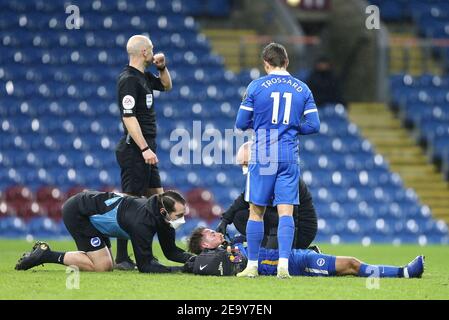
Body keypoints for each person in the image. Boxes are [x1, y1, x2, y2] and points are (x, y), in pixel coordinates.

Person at [235, 43, 320, 278]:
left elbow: (241, 123)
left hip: (263, 153)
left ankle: (251, 266)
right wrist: (292, 128)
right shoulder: (303, 89)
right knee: (286, 213)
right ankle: (283, 264)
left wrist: (262, 126)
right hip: (288, 155)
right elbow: (314, 126)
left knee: (256, 212)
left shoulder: (256, 86)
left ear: (266, 63)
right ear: (287, 61)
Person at [15, 190, 192, 273]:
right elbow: (145, 266)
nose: (182, 219)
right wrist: (181, 270)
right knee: (103, 267)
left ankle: (45, 254)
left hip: (93, 213)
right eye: (179, 215)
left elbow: (171, 251)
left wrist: (196, 260)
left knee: (105, 263)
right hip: (78, 212)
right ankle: (46, 254)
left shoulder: (162, 217)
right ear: (164, 212)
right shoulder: (142, 222)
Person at [115, 35, 172, 270]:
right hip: (135, 149)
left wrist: (163, 68)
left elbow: (167, 86)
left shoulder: (144, 77)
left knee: (158, 200)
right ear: (143, 53)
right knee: (131, 202)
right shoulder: (128, 80)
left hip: (147, 147)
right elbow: (128, 118)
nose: (154, 52)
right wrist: (144, 148)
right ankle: (121, 257)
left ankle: (168, 251)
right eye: (151, 49)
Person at [186, 227, 425, 279]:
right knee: (352, 264)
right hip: (296, 264)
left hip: (294, 255)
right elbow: (242, 264)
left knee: (350, 265)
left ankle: (403, 272)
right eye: (208, 234)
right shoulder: (225, 258)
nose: (214, 232)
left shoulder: (234, 243)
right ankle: (405, 272)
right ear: (205, 246)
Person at [216, 142, 318, 250]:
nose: (244, 169)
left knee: (257, 212)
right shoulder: (265, 173)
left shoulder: (283, 176)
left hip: (301, 229)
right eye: (243, 165)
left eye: (246, 164)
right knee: (239, 216)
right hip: (281, 222)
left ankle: (292, 254)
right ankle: (264, 248)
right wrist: (225, 220)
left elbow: (290, 215)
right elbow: (244, 198)